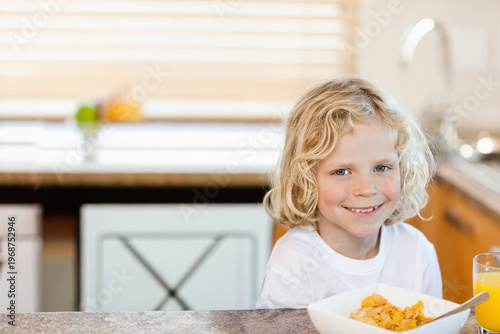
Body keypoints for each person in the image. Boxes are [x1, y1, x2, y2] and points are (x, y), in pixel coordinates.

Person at [256, 77, 442, 309]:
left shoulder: (417, 251)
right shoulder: (294, 262)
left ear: (402, 167)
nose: (366, 189)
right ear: (306, 179)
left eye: (381, 168)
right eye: (342, 171)